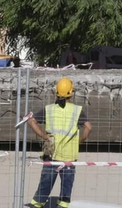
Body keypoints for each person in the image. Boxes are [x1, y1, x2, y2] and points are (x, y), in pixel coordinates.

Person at [28, 77, 90, 208]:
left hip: (51, 153)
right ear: (71, 93)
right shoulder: (77, 110)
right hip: (69, 156)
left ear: (56, 93)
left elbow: (31, 121)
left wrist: (44, 136)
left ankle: (37, 203)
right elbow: (88, 127)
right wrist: (80, 140)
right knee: (67, 185)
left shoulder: (49, 109)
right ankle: (62, 204)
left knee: (46, 182)